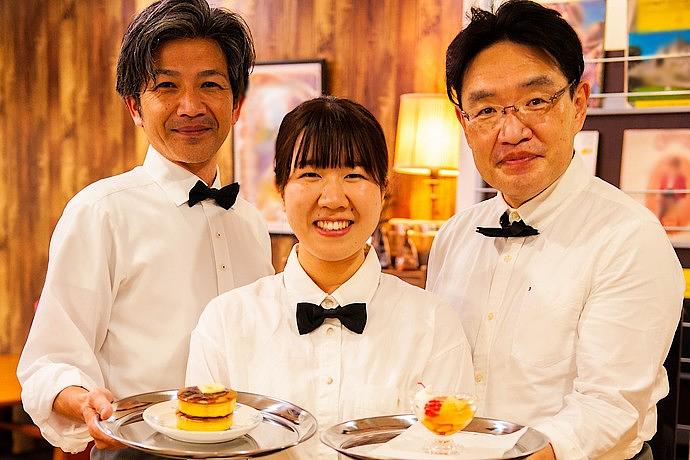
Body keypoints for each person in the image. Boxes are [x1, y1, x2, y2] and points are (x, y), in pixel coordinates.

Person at [426, 1, 684, 459]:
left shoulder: (629, 238)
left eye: (535, 102)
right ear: (465, 125)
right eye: (486, 110)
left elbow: (608, 408)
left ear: (578, 105)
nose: (511, 131)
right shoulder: (453, 237)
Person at [17, 0, 274, 456]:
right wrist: (85, 401)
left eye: (210, 85)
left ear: (236, 104)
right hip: (137, 450)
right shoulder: (100, 213)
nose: (190, 106)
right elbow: (48, 362)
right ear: (135, 106)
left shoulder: (251, 224)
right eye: (167, 86)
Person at [185, 96, 475, 459]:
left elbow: (454, 450)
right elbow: (204, 449)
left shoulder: (433, 323)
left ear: (384, 188)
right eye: (310, 174)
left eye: (354, 175)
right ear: (281, 189)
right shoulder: (226, 321)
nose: (333, 199)